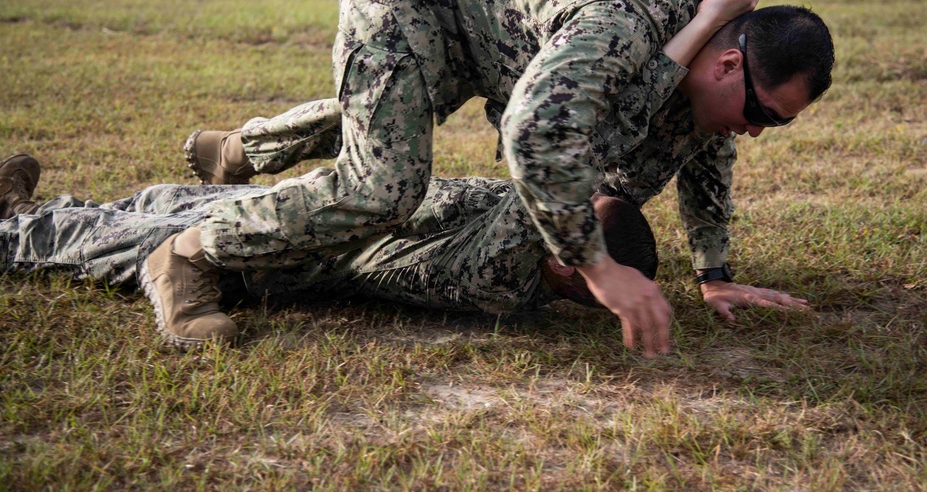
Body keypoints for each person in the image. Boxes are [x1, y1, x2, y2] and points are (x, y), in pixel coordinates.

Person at [153, 0, 835, 356]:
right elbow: (536, 134)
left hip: (499, 39)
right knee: (385, 182)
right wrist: (596, 265)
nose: (757, 132)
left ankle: (246, 148)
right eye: (764, 115)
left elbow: (704, 149)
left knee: (399, 115)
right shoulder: (623, 21)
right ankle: (187, 255)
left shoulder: (703, 59)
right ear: (726, 62)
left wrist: (713, 274)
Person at [0, 154, 670, 348]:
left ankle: (18, 221)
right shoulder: (520, 249)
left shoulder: (507, 271)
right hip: (289, 233)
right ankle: (23, 213)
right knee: (147, 216)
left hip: (286, 241)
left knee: (128, 232)